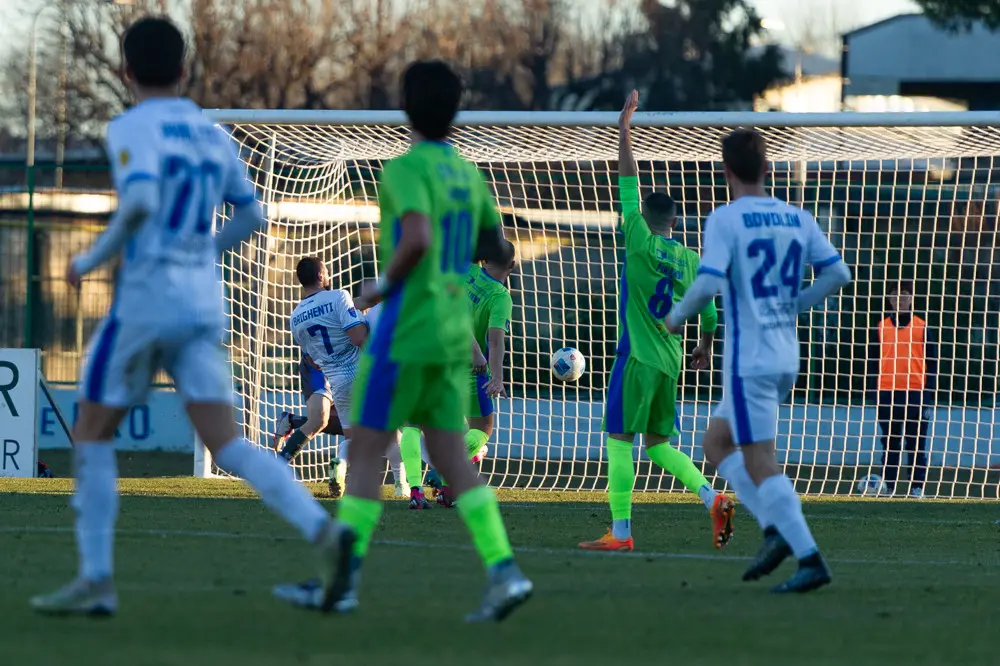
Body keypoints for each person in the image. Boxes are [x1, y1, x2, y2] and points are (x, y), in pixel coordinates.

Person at [30, 16, 340, 616]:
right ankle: (324, 532)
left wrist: (90, 258)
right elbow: (255, 215)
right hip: (202, 302)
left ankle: (97, 579)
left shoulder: (131, 126)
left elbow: (142, 198)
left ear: (126, 72)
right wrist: (204, 251)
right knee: (227, 444)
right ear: (184, 70)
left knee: (92, 431)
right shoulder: (210, 135)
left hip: (146, 301)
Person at [272, 60, 530, 621]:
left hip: (406, 331)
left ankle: (340, 585)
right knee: (452, 459)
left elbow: (415, 235)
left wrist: (380, 286)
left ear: (407, 107)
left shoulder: (404, 170)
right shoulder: (469, 174)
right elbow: (492, 240)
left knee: (364, 452)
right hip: (449, 333)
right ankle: (504, 571)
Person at [665, 127, 851, 593]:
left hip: (753, 360)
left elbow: (707, 284)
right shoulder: (797, 217)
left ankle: (807, 555)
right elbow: (838, 273)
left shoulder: (726, 219)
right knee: (715, 442)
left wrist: (675, 317)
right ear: (768, 169)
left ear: (726, 171)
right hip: (785, 352)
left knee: (760, 461)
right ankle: (774, 528)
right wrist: (795, 305)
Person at [578, 90, 734, 553]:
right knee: (659, 445)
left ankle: (621, 534)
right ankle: (712, 497)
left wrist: (624, 130)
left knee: (619, 441)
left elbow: (628, 179)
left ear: (643, 218)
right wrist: (704, 347)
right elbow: (709, 309)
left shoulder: (638, 242)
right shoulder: (691, 259)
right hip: (670, 364)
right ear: (676, 220)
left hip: (637, 358)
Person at [402, 243, 517, 509]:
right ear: (511, 265)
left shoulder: (463, 269)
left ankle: (417, 491)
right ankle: (444, 474)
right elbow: (496, 340)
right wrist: (496, 376)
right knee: (480, 432)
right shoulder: (500, 296)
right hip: (468, 367)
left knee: (412, 424)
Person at [279, 257, 367, 498]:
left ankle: (340, 467)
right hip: (363, 369)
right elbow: (359, 337)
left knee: (352, 435)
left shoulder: (295, 317)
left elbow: (312, 361)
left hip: (337, 383)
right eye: (326, 271)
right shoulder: (338, 296)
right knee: (408, 422)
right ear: (320, 275)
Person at [872, 281, 935, 497]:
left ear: (911, 299)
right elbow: (872, 361)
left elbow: (933, 361)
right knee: (890, 442)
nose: (900, 298)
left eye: (905, 294)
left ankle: (917, 487)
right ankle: (888, 487)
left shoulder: (922, 326)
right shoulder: (880, 327)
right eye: (895, 295)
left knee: (916, 443)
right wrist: (874, 391)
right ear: (889, 299)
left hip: (916, 393)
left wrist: (929, 392)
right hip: (887, 393)